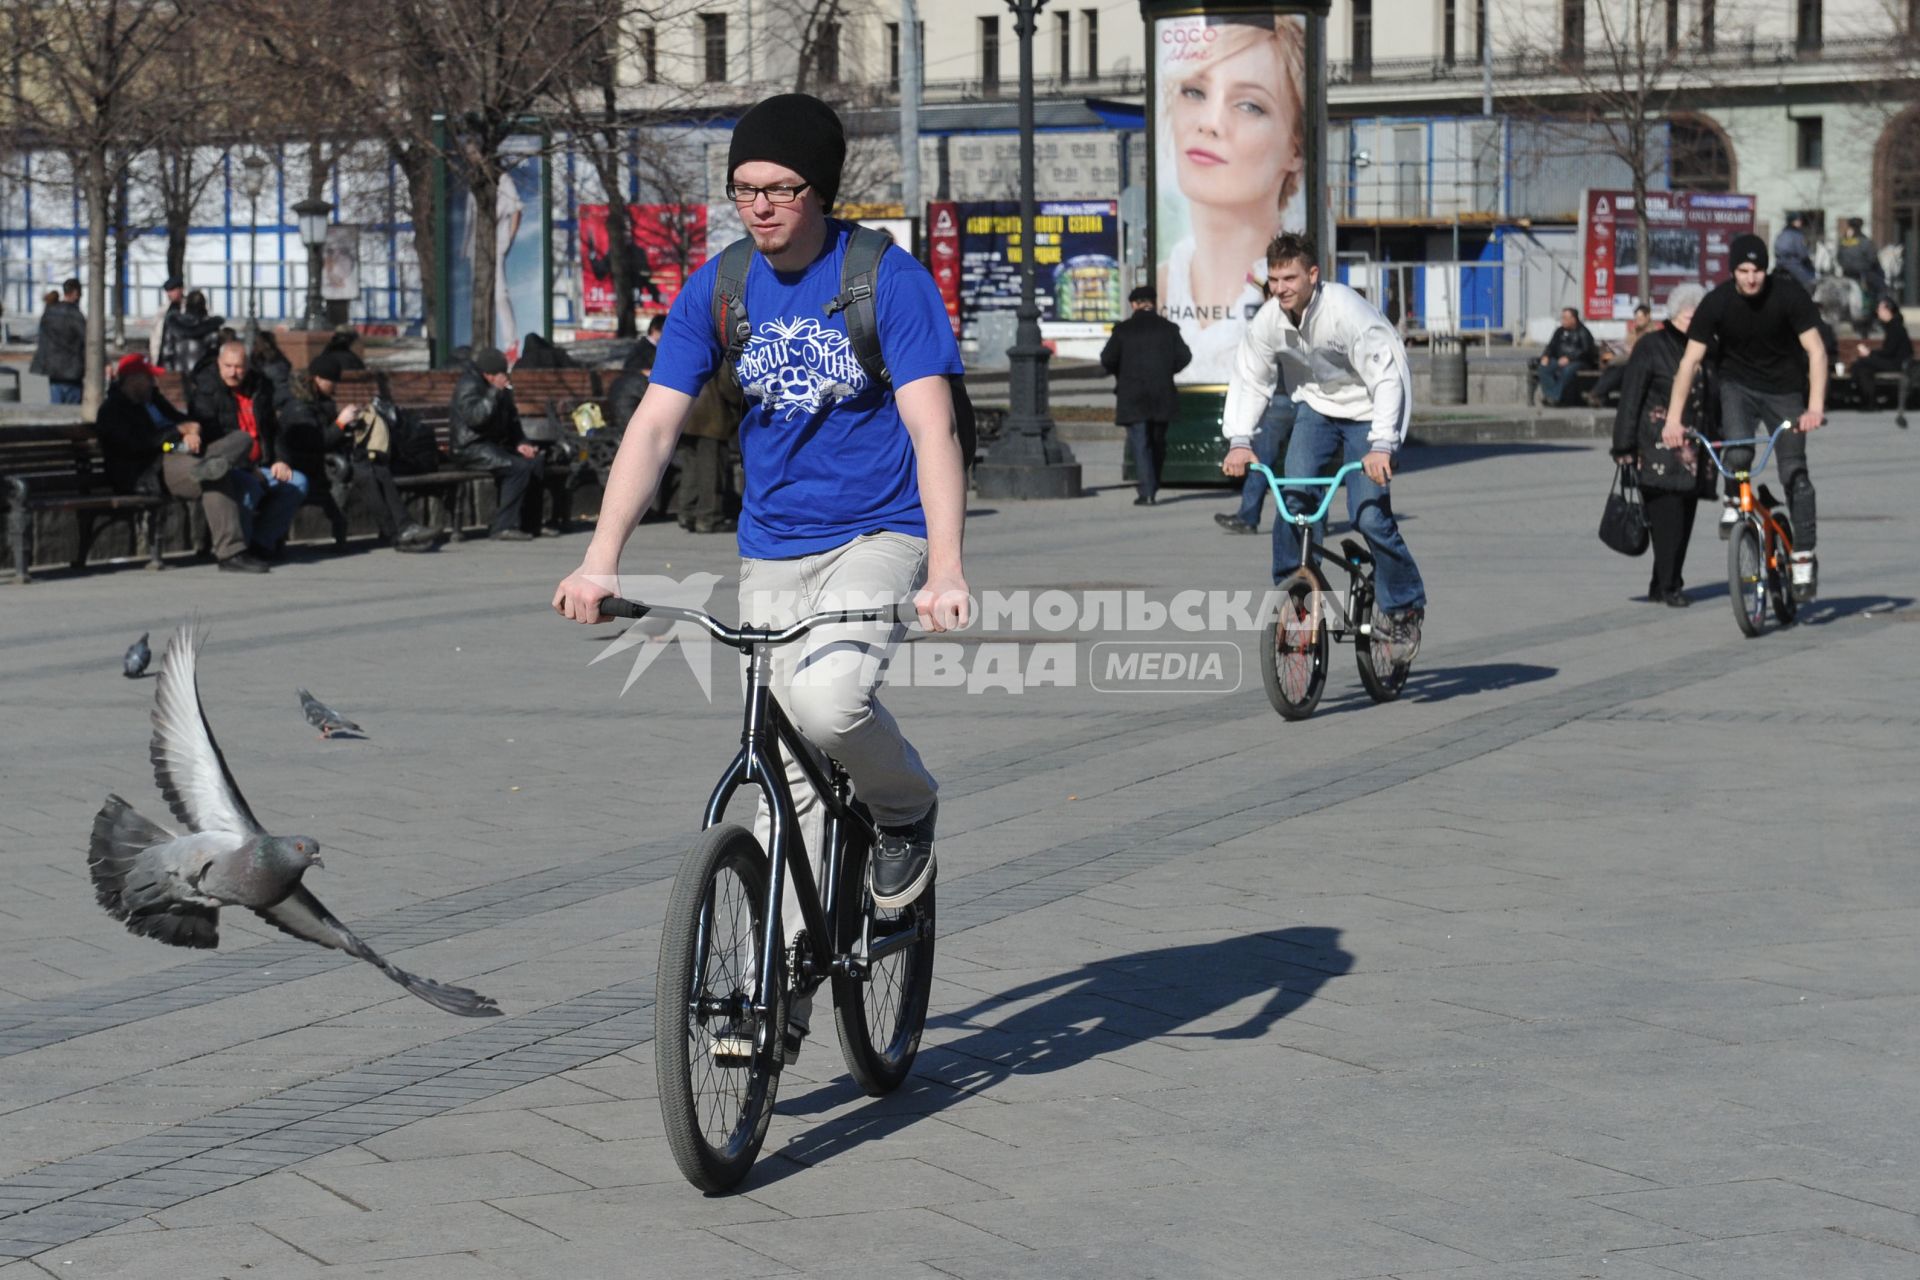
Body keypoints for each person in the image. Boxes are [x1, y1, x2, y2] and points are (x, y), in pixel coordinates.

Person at [552, 94, 970, 1060]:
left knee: (829, 702)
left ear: (820, 191)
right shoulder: (722, 286)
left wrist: (944, 566)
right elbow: (655, 425)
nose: (762, 206)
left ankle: (906, 809)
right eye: (745, 189)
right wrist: (600, 557)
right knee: (786, 760)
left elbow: (932, 426)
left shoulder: (883, 281)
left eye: (782, 189)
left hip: (880, 532)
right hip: (772, 543)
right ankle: (779, 977)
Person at [1221, 232, 1427, 656]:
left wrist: (1382, 445)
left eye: (1290, 278)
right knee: (1293, 500)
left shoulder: (1345, 311)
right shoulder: (1269, 320)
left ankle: (1404, 608)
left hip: (1370, 410)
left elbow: (1388, 378)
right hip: (1317, 408)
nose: (1280, 289)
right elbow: (1251, 377)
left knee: (1368, 516)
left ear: (1313, 275)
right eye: (1274, 279)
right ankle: (1294, 590)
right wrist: (1240, 440)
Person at [1663, 233, 1826, 599]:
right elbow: (1689, 362)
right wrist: (1673, 420)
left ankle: (1803, 555)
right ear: (1733, 270)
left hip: (1785, 390)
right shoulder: (1716, 302)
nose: (1751, 278)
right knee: (1737, 452)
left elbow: (1816, 351)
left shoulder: (1788, 295)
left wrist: (1814, 407)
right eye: (1743, 270)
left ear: (1766, 270)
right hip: (1737, 386)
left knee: (1795, 474)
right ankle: (1735, 499)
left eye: (1757, 270)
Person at [1156, 15, 1307, 384]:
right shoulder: (1158, 285)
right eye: (1194, 91)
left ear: (1295, 148)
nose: (1209, 123)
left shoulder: (1298, 291)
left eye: (1249, 106)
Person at [1612, 283, 1713, 607]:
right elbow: (1631, 398)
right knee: (1667, 523)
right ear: (1673, 315)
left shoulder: (1705, 347)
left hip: (1694, 452)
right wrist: (1624, 447)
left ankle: (1661, 582)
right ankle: (1671, 586)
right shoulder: (1652, 346)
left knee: (1682, 522)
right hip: (1655, 449)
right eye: (1687, 316)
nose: (1692, 322)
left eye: (1697, 317)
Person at [191, 339, 307, 562]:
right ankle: (237, 548)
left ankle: (261, 542)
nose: (234, 373)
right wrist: (246, 467)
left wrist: (280, 460)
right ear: (219, 363)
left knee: (298, 483)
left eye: (239, 367)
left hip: (262, 464)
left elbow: (273, 429)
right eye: (228, 366)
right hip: (230, 467)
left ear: (247, 366)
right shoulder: (207, 391)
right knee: (250, 487)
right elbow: (214, 443)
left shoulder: (260, 387)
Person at [1100, 285, 1192, 506]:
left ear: (1134, 304)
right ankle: (1154, 483)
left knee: (1140, 444)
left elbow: (1107, 358)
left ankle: (1147, 491)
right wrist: (1168, 370)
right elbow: (1185, 356)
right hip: (1162, 394)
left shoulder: (1123, 330)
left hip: (1132, 395)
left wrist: (1121, 372)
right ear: (1153, 302)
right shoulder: (1169, 328)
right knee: (1158, 442)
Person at [449, 346, 545, 540]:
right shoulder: (469, 385)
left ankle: (531, 524)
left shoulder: (500, 387)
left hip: (492, 445)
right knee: (517, 468)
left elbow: (512, 421)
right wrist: (493, 392)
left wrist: (521, 442)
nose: (503, 378)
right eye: (498, 374)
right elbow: (476, 418)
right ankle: (503, 527)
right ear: (487, 374)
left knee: (535, 462)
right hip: (470, 447)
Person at [95, 354, 194, 496]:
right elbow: (140, 443)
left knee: (214, 459)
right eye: (149, 377)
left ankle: (211, 461)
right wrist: (177, 430)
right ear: (132, 380)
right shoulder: (113, 410)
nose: (153, 382)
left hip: (171, 449)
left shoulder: (154, 400)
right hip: (147, 472)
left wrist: (192, 431)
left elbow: (179, 419)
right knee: (212, 471)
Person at [677, 368, 742, 533]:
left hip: (688, 412)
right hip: (712, 416)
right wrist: (740, 399)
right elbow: (728, 385)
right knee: (712, 470)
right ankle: (709, 517)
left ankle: (688, 513)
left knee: (691, 467)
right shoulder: (721, 345)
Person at [1850, 297, 1912, 412]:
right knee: (1864, 368)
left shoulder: (1896, 327)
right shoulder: (1893, 325)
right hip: (1894, 362)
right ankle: (1869, 402)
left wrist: (1870, 353)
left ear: (1888, 310)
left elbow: (1889, 351)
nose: (1877, 312)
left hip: (1898, 364)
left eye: (1880, 309)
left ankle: (1856, 390)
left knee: (1862, 362)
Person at [30, 279, 85, 405]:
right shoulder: (75, 315)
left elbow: (43, 341)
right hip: (72, 372)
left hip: (54, 371)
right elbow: (87, 340)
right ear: (75, 293)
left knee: (56, 409)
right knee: (73, 412)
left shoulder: (49, 313)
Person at [1587, 304, 1653, 407]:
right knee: (1616, 367)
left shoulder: (1652, 333)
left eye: (1640, 318)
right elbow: (1627, 345)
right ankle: (1599, 395)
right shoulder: (1633, 332)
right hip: (1628, 360)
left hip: (1643, 363)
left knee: (1618, 367)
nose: (1637, 321)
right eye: (1636, 318)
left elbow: (1649, 351)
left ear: (1647, 317)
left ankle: (1596, 393)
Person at [1533, 307, 1598, 406]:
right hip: (1559, 359)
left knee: (1568, 370)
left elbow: (1586, 351)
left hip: (1579, 361)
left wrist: (1570, 358)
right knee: (1544, 368)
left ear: (1573, 319)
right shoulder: (1559, 331)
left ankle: (1554, 397)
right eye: (1562, 318)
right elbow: (1551, 346)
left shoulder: (1583, 332)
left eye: (1565, 318)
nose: (1563, 321)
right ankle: (1552, 395)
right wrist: (1546, 356)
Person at [166, 290, 223, 379]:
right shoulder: (211, 326)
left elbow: (167, 352)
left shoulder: (174, 324)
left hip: (179, 375)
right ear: (204, 305)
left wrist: (170, 374)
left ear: (187, 304)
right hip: (203, 377)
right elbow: (214, 354)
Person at [1836, 217, 1889, 306]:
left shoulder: (1843, 241)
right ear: (1861, 227)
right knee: (1881, 286)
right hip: (1863, 274)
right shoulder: (1865, 241)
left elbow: (1838, 258)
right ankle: (1880, 308)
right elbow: (1873, 260)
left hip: (1846, 273)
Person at [147, 276, 185, 368]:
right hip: (163, 358)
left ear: (181, 289)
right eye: (167, 291)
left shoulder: (189, 308)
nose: (169, 294)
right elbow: (156, 333)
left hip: (181, 358)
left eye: (172, 290)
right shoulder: (163, 309)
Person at [1774, 213, 1816, 289]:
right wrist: (1808, 261)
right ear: (1792, 221)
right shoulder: (1796, 234)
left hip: (1779, 264)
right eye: (1798, 220)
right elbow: (1802, 252)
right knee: (1810, 280)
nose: (1800, 222)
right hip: (1793, 264)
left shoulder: (1782, 233)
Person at [251, 330, 294, 403]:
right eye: (254, 343)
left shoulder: (277, 364)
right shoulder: (257, 359)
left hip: (276, 398)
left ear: (267, 344)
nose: (255, 346)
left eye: (257, 343)